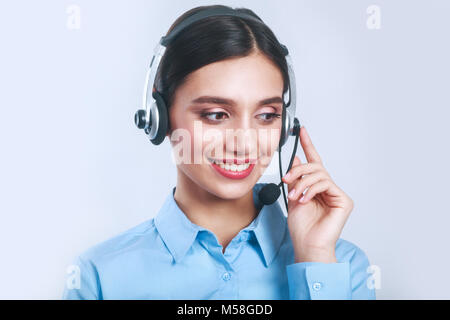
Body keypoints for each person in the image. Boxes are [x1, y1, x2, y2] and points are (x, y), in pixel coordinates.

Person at [62, 4, 376, 300]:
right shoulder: (100, 277)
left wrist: (315, 260)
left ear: (285, 125)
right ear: (159, 116)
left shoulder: (341, 268)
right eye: (215, 114)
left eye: (266, 115)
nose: (243, 143)